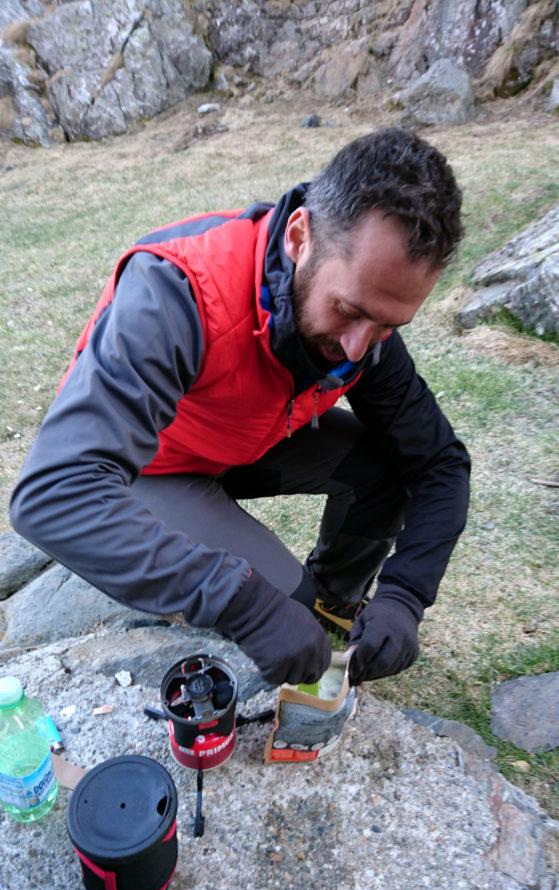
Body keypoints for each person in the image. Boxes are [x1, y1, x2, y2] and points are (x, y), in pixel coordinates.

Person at [10, 128, 471, 690]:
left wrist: (404, 594)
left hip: (244, 441)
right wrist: (241, 602)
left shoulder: (363, 325)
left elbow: (440, 463)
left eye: (387, 326)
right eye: (348, 310)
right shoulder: (176, 292)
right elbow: (54, 494)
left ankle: (333, 604)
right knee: (278, 606)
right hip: (156, 465)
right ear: (300, 238)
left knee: (385, 469)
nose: (360, 346)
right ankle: (299, 607)